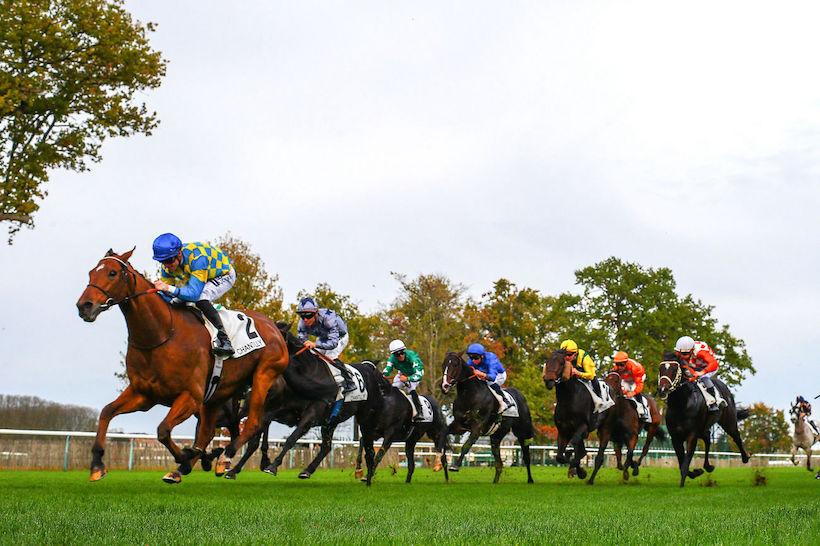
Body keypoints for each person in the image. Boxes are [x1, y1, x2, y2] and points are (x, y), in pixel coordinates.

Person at [151, 233, 235, 357]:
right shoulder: (168, 265)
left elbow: (194, 294)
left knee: (201, 298)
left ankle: (225, 340)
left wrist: (167, 288)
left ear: (179, 253)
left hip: (224, 275)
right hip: (201, 275)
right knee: (175, 300)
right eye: (162, 262)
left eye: (169, 260)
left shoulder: (198, 259)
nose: (167, 265)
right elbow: (166, 295)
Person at [296, 297, 355, 393]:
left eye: (308, 315)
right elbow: (302, 342)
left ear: (316, 313)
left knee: (329, 357)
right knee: (312, 355)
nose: (305, 319)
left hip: (339, 337)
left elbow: (333, 343)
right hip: (323, 337)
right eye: (302, 316)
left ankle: (349, 381)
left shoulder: (329, 319)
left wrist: (315, 344)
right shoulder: (302, 323)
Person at [674, 336, 726, 412]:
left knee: (703, 378)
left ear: (692, 350)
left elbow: (713, 363)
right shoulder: (680, 350)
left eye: (685, 354)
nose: (682, 356)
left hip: (708, 365)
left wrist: (702, 372)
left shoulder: (701, 352)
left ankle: (715, 400)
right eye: (681, 353)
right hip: (695, 364)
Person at [383, 340, 425, 421]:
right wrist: (383, 375)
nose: (400, 356)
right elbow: (388, 368)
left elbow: (419, 374)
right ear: (393, 355)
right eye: (397, 354)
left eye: (402, 352)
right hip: (402, 373)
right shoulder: (392, 359)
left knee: (411, 389)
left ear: (404, 351)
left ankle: (419, 412)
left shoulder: (412, 357)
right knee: (393, 389)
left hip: (415, 374)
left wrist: (408, 379)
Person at [465, 342, 509, 416]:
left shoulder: (491, 358)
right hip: (484, 375)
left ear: (482, 356)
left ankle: (505, 400)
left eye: (475, 358)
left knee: (489, 383)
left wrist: (482, 374)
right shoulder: (471, 361)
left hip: (499, 375)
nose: (473, 361)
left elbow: (492, 377)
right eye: (471, 357)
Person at [560, 339, 607, 406]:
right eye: (564, 354)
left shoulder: (584, 357)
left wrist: (578, 373)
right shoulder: (562, 358)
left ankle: (600, 398)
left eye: (569, 355)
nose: (566, 357)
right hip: (573, 379)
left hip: (587, 375)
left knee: (594, 379)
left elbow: (591, 376)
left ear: (575, 353)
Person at [612, 351, 650, 422]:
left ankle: (643, 411)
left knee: (634, 392)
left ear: (626, 362)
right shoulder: (616, 368)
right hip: (626, 379)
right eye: (617, 364)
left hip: (638, 378)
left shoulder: (635, 367)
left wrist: (634, 392)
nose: (619, 367)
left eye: (622, 364)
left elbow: (639, 384)